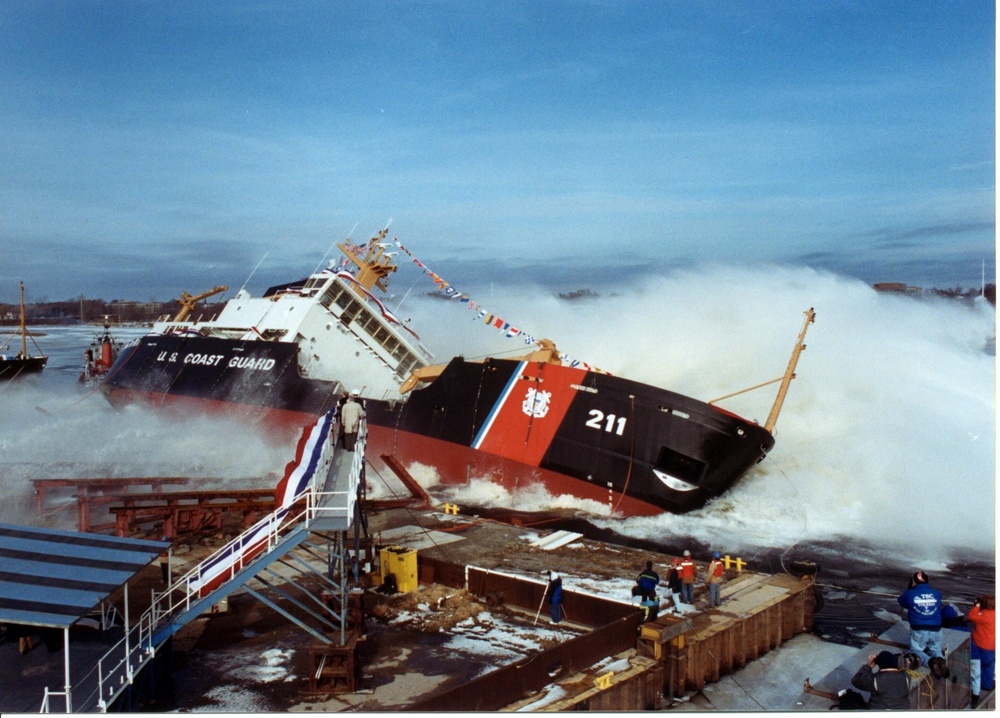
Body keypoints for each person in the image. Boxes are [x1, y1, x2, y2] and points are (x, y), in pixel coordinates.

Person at [897, 570, 943, 666]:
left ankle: (930, 663)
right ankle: (941, 661)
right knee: (935, 649)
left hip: (919, 629)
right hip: (936, 628)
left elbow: (901, 601)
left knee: (916, 651)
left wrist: (910, 590)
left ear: (913, 581)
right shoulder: (936, 593)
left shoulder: (910, 593)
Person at [968, 594, 995, 708]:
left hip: (982, 644)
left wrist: (976, 606)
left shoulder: (984, 615)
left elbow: (971, 616)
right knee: (989, 665)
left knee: (979, 666)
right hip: (993, 645)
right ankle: (987, 684)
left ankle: (978, 688)